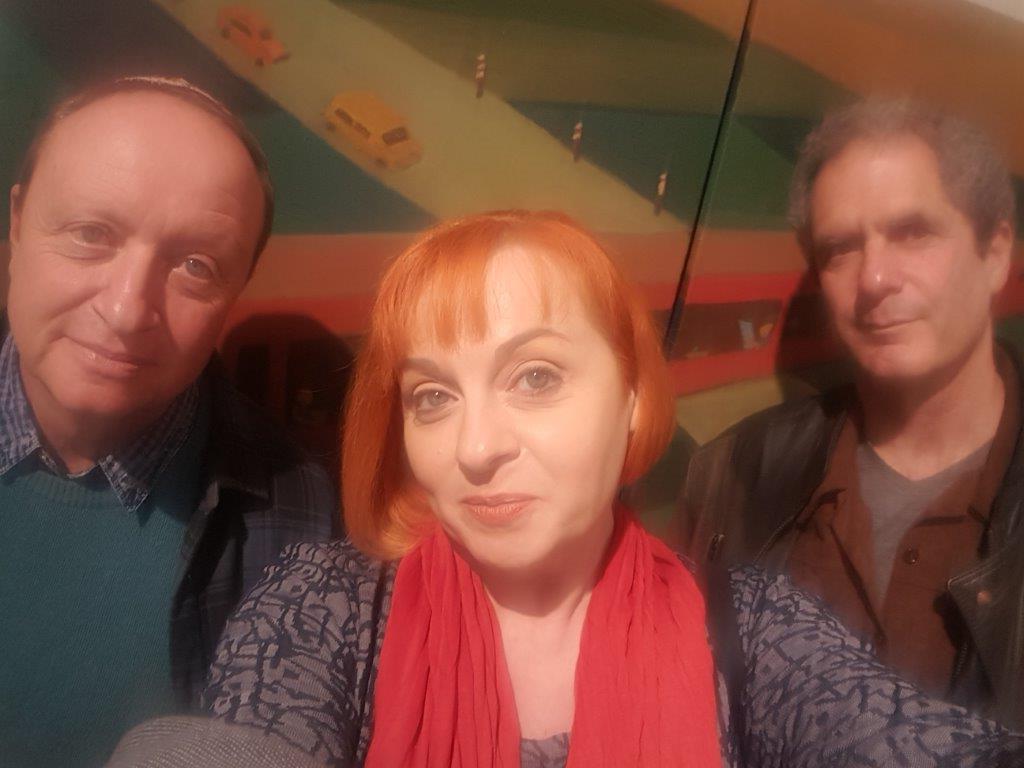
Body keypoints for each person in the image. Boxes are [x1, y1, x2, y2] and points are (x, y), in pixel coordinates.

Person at [202, 210, 1022, 767]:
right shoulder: (328, 610)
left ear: (630, 394)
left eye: (534, 376)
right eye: (433, 396)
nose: (475, 449)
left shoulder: (749, 630)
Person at [0, 76, 335, 767]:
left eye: (195, 266)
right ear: (16, 226)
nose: (127, 311)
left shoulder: (296, 513)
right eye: (91, 234)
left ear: (236, 291)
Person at [677, 98, 1024, 726]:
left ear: (995, 253)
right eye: (840, 249)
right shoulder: (730, 473)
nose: (874, 279)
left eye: (912, 232)